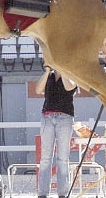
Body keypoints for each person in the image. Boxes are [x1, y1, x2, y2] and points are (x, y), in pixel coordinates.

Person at [35, 67, 77, 198]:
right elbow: (38, 90)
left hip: (64, 117)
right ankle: (42, 193)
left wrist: (62, 70)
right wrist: (47, 71)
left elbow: (69, 87)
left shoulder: (71, 74)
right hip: (47, 116)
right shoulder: (49, 76)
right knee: (45, 158)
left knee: (63, 158)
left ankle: (62, 193)